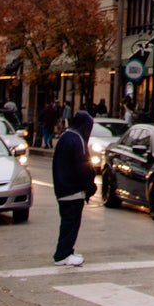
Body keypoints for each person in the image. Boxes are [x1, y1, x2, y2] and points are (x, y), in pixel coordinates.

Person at [51, 109, 95, 267]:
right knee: (71, 224)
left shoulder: (65, 137)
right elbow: (84, 168)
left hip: (63, 188)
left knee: (67, 223)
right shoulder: (78, 141)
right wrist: (90, 187)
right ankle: (63, 254)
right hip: (73, 191)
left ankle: (67, 251)